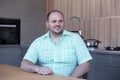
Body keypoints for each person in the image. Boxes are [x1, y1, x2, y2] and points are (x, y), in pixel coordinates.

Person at [20, 10, 92, 78]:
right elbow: (24, 64)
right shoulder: (38, 42)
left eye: (60, 21)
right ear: (47, 24)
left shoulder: (75, 39)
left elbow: (85, 65)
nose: (57, 24)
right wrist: (38, 69)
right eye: (54, 21)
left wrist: (70, 79)